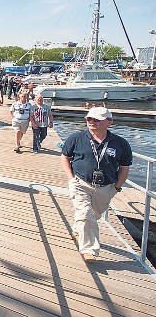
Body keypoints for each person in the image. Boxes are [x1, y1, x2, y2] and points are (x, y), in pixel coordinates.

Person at [61, 107, 132, 263]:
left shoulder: (120, 144)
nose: (92, 122)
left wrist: (116, 187)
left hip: (106, 187)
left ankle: (78, 229)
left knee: (93, 215)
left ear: (109, 122)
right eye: (89, 119)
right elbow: (65, 157)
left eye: (96, 120)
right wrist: (71, 179)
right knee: (85, 212)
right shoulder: (76, 138)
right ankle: (89, 250)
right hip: (80, 183)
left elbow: (125, 168)